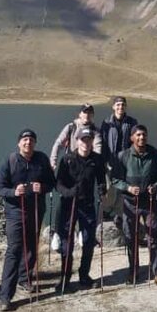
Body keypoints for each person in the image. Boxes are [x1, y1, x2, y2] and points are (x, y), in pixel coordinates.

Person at [0, 129, 55, 312]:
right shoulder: (10, 160)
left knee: (31, 247)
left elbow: (52, 183)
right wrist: (14, 192)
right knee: (14, 251)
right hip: (15, 212)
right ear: (19, 143)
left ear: (35, 143)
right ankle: (5, 296)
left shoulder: (42, 159)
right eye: (25, 140)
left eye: (31, 140)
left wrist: (42, 187)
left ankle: (25, 278)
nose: (28, 143)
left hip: (36, 210)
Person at [110, 124, 157, 289]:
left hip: (150, 203)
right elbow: (115, 179)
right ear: (131, 138)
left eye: (144, 135)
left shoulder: (155, 155)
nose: (141, 138)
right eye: (138, 135)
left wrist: (156, 186)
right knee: (131, 238)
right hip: (130, 203)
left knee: (154, 238)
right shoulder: (123, 156)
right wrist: (128, 188)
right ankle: (134, 270)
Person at [55, 127, 107, 291]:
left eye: (89, 140)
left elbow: (101, 180)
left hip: (87, 205)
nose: (86, 143)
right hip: (68, 205)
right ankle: (65, 279)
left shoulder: (97, 160)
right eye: (83, 140)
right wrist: (69, 192)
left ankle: (84, 276)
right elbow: (58, 184)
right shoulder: (67, 159)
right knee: (67, 244)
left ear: (92, 141)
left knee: (88, 241)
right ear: (77, 141)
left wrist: (102, 189)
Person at [49, 103, 103, 251]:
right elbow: (58, 143)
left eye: (90, 113)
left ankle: (83, 231)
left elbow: (98, 146)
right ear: (79, 114)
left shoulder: (95, 131)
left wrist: (95, 161)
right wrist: (53, 162)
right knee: (63, 202)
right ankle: (57, 233)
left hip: (86, 166)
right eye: (84, 112)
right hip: (69, 167)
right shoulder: (70, 127)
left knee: (88, 199)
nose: (87, 115)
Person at [101, 96, 139, 219]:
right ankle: (106, 214)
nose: (120, 107)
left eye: (122, 104)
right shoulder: (106, 123)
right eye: (118, 105)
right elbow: (103, 142)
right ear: (113, 107)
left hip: (126, 162)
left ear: (125, 107)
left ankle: (119, 215)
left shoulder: (132, 122)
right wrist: (104, 161)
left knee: (123, 189)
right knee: (110, 188)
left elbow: (135, 142)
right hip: (110, 162)